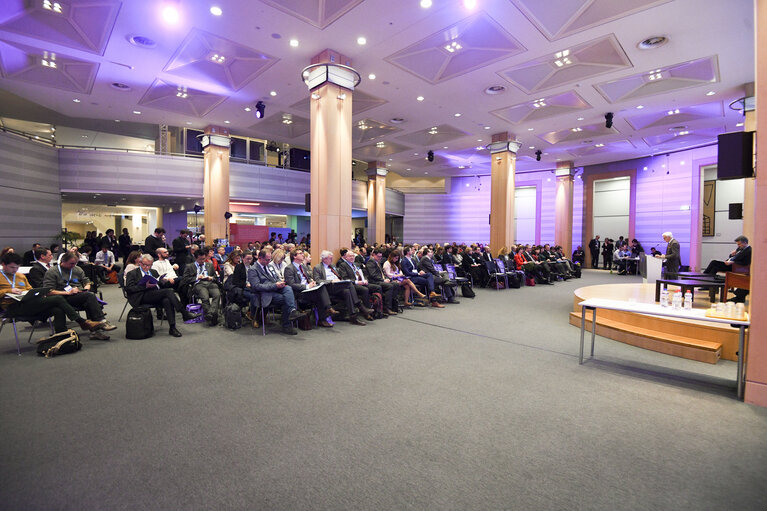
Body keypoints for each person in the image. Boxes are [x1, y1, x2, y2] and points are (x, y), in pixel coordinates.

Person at [0, 252, 103, 335]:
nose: (15, 270)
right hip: (11, 307)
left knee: (57, 309)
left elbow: (30, 290)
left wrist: (32, 293)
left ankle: (61, 334)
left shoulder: (20, 276)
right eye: (12, 267)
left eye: (17, 267)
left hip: (27, 303)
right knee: (57, 299)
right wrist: (8, 291)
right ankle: (82, 321)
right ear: (3, 264)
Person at [42, 252, 116, 339]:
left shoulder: (77, 269)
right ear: (63, 261)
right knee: (90, 297)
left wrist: (86, 287)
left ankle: (96, 331)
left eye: (75, 263)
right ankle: (101, 321)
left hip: (79, 295)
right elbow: (48, 291)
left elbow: (86, 281)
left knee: (89, 300)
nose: (73, 265)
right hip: (63, 298)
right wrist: (67, 292)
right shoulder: (52, 272)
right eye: (71, 263)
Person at [125, 254, 200, 337]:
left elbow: (159, 284)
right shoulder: (132, 273)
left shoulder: (153, 271)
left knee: (167, 300)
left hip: (154, 294)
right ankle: (184, 313)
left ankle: (172, 328)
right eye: (144, 265)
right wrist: (144, 286)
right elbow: (129, 289)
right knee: (168, 292)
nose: (146, 267)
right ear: (140, 263)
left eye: (149, 265)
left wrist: (162, 281)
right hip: (141, 297)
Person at [248, 249, 304, 335]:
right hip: (265, 293)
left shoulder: (269, 267)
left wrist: (280, 283)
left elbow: (276, 278)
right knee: (286, 299)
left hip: (276, 289)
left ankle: (292, 311)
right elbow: (256, 286)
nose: (269, 261)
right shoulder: (253, 269)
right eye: (267, 259)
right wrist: (275, 285)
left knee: (288, 288)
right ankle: (286, 325)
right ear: (260, 258)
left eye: (270, 259)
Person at [312, 250, 371, 325]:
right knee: (349, 284)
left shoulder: (332, 266)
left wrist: (339, 280)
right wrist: (331, 281)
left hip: (338, 285)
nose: (332, 260)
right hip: (328, 287)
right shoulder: (318, 267)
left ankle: (353, 316)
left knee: (347, 291)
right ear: (324, 259)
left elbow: (339, 276)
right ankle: (360, 306)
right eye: (330, 258)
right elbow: (317, 280)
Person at [283, 248, 337, 327]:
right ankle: (326, 312)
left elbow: (308, 278)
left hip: (309, 290)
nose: (303, 254)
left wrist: (312, 282)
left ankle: (325, 314)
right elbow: (291, 284)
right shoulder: (289, 268)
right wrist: (307, 286)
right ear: (294, 256)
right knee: (320, 294)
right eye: (300, 253)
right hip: (299, 293)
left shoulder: (303, 267)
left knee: (321, 287)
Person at [181, 249, 221, 326]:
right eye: (200, 259)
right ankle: (213, 317)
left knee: (217, 295)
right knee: (205, 298)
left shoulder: (210, 265)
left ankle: (210, 314)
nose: (202, 260)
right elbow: (185, 279)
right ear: (196, 258)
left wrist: (211, 278)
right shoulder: (190, 266)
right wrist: (197, 277)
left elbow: (215, 277)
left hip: (210, 283)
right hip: (199, 284)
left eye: (204, 258)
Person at [336, 248, 381, 312]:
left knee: (377, 287)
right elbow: (345, 278)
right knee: (365, 290)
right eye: (350, 256)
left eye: (353, 256)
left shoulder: (356, 264)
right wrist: (357, 282)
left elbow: (363, 273)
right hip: (353, 284)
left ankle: (379, 309)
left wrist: (365, 280)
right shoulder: (343, 265)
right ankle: (366, 309)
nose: (352, 257)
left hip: (361, 282)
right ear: (346, 257)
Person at [366, 248, 399, 315]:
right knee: (389, 286)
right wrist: (383, 280)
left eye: (381, 256)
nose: (380, 258)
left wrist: (387, 279)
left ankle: (393, 305)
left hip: (380, 280)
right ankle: (387, 307)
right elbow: (373, 275)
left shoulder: (377, 262)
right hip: (374, 281)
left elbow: (382, 273)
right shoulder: (370, 262)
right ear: (373, 255)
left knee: (395, 284)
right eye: (378, 256)